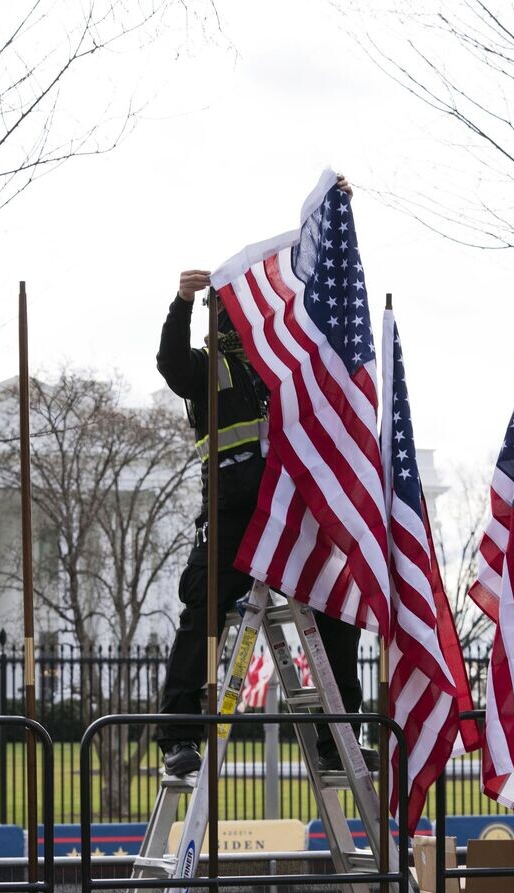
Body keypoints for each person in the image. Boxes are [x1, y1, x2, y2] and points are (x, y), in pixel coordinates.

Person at [154, 178, 376, 777]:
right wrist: (178, 305)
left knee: (335, 608)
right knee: (202, 616)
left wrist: (333, 224)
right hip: (231, 515)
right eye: (225, 313)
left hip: (291, 510)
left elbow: (325, 335)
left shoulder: (279, 365)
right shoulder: (203, 369)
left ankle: (338, 738)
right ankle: (179, 737)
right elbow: (170, 362)